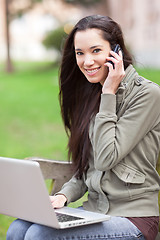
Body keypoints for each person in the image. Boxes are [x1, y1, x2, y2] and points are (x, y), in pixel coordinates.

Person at [7, 15, 160, 240]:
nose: (87, 61)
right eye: (80, 53)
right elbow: (89, 168)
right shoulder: (92, 94)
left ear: (116, 51)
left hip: (134, 218)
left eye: (95, 50)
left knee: (39, 235)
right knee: (18, 229)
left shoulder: (147, 95)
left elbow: (107, 158)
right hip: (95, 212)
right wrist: (63, 197)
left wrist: (108, 94)